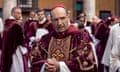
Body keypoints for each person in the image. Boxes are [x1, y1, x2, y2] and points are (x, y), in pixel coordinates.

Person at [31, 4, 98, 72]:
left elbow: (87, 61)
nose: (59, 23)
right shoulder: (45, 39)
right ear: (51, 20)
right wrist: (46, 66)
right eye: (56, 19)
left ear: (68, 17)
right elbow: (35, 62)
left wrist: (60, 66)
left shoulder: (81, 37)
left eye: (62, 18)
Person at [1, 7, 29, 72]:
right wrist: (26, 47)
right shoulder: (16, 25)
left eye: (21, 13)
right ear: (13, 13)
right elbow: (21, 41)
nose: (20, 15)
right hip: (15, 51)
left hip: (7, 50)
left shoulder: (7, 23)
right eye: (18, 13)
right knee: (16, 67)